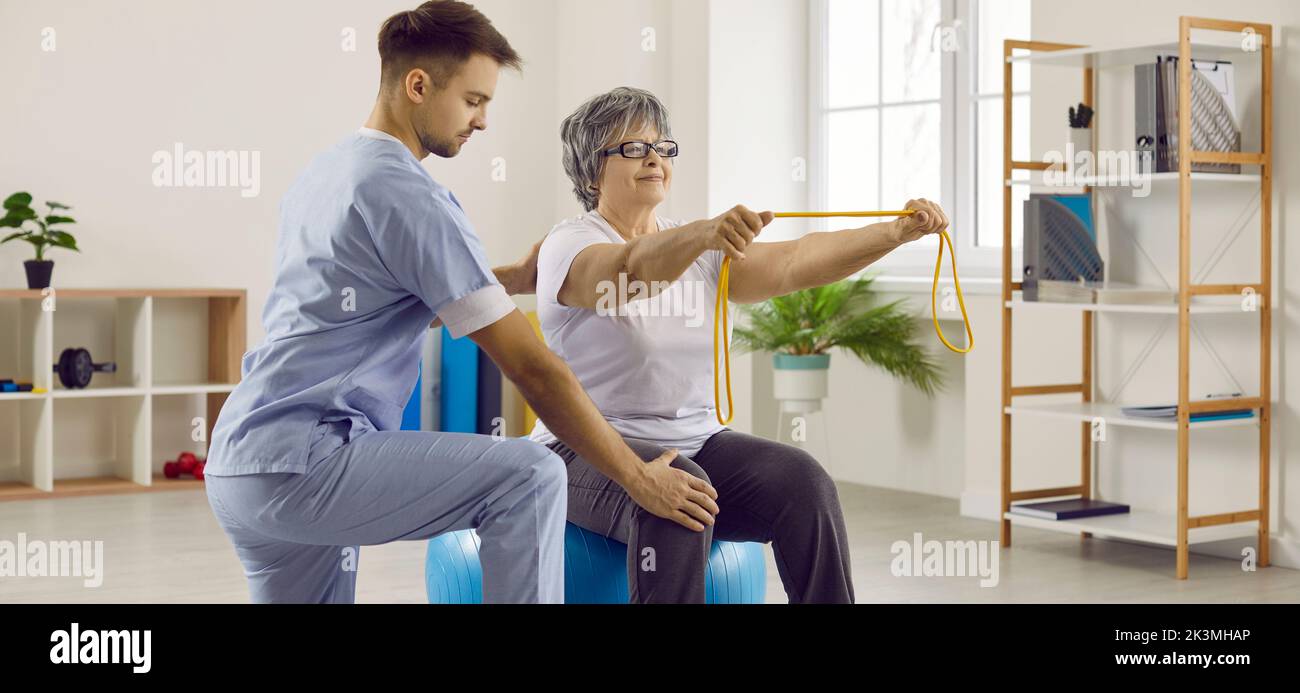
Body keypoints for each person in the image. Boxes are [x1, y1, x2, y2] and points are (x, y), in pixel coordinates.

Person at [204, 3, 719, 604]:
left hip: (241, 463)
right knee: (530, 476)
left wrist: (510, 278)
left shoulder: (328, 173)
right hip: (311, 461)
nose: (481, 123)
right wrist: (636, 478)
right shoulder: (410, 192)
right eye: (474, 101)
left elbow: (371, 299)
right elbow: (533, 369)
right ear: (418, 86)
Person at [530, 86, 950, 603]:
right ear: (593, 167)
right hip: (579, 453)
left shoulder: (699, 247)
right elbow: (629, 270)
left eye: (661, 147)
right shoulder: (569, 245)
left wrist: (893, 234)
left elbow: (797, 260)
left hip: (697, 442)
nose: (654, 159)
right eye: (633, 148)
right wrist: (704, 235)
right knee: (683, 492)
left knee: (804, 482)